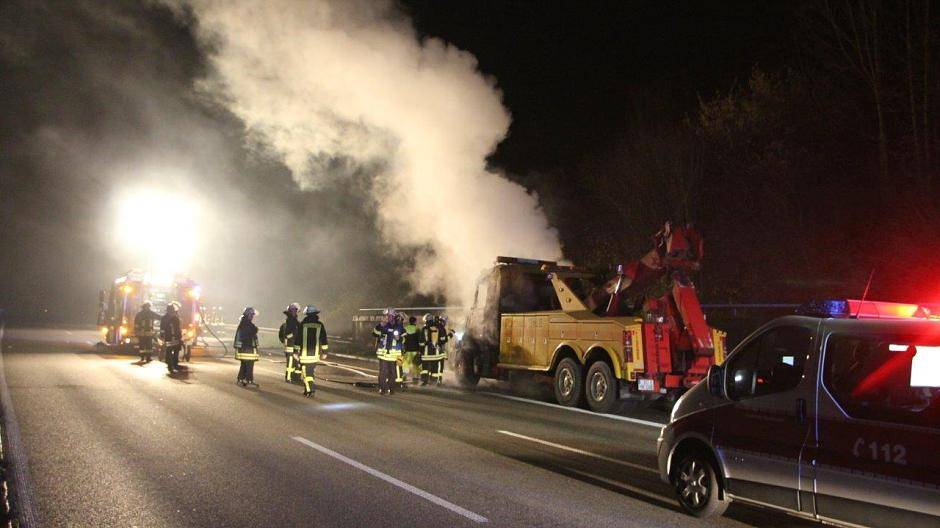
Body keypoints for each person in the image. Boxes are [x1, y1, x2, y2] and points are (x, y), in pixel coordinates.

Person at [294, 305, 329, 397]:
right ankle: (307, 390)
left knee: (306, 373)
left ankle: (310, 390)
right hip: (315, 355)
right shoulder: (320, 325)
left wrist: (295, 351)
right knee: (310, 372)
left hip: (304, 354)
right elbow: (324, 339)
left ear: (307, 314)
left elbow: (298, 339)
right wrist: (325, 352)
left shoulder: (302, 324)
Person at [374, 308, 404, 395]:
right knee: (383, 372)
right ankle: (383, 389)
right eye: (386, 316)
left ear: (393, 317)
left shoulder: (399, 326)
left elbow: (405, 338)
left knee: (393, 373)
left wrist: (400, 338)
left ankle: (392, 389)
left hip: (395, 355)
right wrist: (379, 325)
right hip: (383, 354)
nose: (387, 317)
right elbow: (374, 333)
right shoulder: (382, 326)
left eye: (389, 316)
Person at [234, 307, 260, 387]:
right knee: (249, 365)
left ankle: (240, 379)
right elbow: (251, 331)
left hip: (244, 348)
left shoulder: (244, 323)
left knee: (244, 364)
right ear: (248, 315)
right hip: (247, 348)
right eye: (252, 315)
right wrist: (255, 329)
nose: (252, 317)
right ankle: (249, 380)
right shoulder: (246, 324)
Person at [420, 314, 447, 386]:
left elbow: (421, 342)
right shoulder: (438, 328)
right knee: (435, 369)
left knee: (425, 369)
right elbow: (442, 340)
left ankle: (425, 381)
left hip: (426, 354)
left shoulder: (424, 329)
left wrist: (421, 350)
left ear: (426, 321)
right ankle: (433, 382)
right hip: (436, 354)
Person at [279, 303, 301, 383]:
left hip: (295, 346)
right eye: (294, 310)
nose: (295, 312)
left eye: (296, 311)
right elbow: (286, 334)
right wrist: (294, 335)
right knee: (291, 363)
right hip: (290, 347)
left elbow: (281, 336)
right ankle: (288, 378)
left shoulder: (294, 321)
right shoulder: (290, 321)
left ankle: (296, 377)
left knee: (296, 363)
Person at [161, 301, 183, 374]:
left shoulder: (164, 318)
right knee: (175, 350)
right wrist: (180, 337)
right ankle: (174, 364)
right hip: (175, 337)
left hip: (168, 337)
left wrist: (162, 336)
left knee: (169, 350)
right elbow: (178, 329)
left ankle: (169, 364)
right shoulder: (175, 318)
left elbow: (162, 328)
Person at [401, 315, 424, 385]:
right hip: (415, 350)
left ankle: (404, 376)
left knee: (405, 364)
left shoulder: (405, 328)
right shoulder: (418, 329)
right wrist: (421, 350)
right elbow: (420, 341)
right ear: (415, 322)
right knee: (415, 365)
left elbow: (403, 340)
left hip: (407, 350)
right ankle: (415, 378)